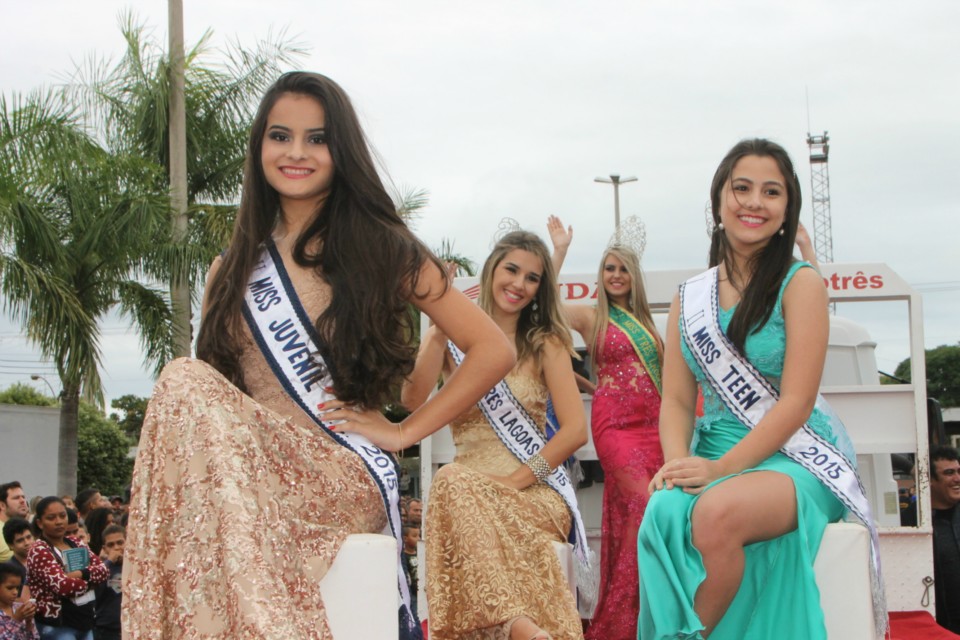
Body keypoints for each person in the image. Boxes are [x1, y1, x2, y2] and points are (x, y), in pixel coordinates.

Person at [124, 71, 514, 640]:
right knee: (185, 382)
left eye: (317, 138)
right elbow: (214, 396)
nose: (297, 152)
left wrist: (404, 433)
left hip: (337, 466)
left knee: (182, 379)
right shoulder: (228, 270)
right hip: (250, 470)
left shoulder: (381, 247)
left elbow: (492, 350)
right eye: (281, 136)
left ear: (340, 150)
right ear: (260, 145)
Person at [638, 138, 883, 639]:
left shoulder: (801, 284)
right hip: (714, 446)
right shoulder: (691, 298)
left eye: (771, 192)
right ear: (719, 200)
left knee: (717, 511)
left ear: (787, 208)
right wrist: (676, 461)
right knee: (663, 510)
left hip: (796, 456)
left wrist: (721, 470)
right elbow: (679, 401)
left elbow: (795, 402)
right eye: (742, 188)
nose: (754, 202)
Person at [403, 229, 588, 640]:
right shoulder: (455, 341)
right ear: (491, 270)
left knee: (451, 484)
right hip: (467, 490)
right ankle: (522, 628)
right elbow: (413, 400)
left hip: (533, 491)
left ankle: (515, 627)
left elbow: (575, 431)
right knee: (453, 484)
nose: (519, 285)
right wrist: (437, 331)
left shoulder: (546, 342)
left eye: (532, 278)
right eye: (512, 270)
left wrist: (514, 481)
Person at [548, 215, 663, 640]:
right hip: (616, 427)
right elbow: (542, 307)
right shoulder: (591, 316)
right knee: (640, 506)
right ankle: (620, 623)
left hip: (655, 429)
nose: (616, 275)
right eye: (609, 268)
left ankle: (650, 615)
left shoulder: (649, 324)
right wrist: (559, 252)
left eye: (623, 268)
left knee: (656, 513)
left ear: (634, 275)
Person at [27, 497, 108, 639]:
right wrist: (91, 581)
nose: (58, 522)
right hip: (57, 626)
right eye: (51, 518)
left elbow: (104, 571)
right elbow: (63, 586)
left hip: (84, 620)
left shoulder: (76, 542)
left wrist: (80, 574)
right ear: (40, 523)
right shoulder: (39, 550)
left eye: (62, 516)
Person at [930, 445, 960, 633]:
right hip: (939, 630)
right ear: (930, 480)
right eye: (949, 473)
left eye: (958, 471)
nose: (957, 478)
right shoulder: (913, 522)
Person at [94, 525, 125, 640]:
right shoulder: (99, 568)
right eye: (111, 545)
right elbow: (95, 593)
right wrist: (108, 562)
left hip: (130, 626)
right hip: (107, 629)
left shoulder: (136, 567)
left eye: (120, 543)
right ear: (104, 548)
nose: (116, 547)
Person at [0, 562, 38, 640]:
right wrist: (16, 620)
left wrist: (29, 622)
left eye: (17, 588)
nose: (15, 592)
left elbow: (34, 637)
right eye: (10, 588)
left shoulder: (19, 608)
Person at [1, 520, 33, 601]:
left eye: (29, 537)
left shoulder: (44, 561)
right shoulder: (8, 571)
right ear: (10, 545)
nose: (27, 543)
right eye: (20, 540)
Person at [1, 483, 30, 563]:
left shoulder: (28, 528)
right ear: (2, 505)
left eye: (23, 497)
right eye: (16, 498)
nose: (22, 501)